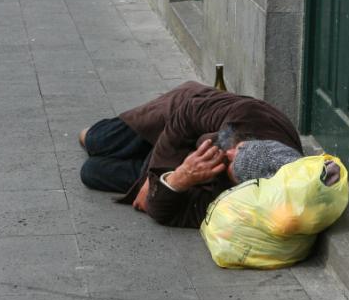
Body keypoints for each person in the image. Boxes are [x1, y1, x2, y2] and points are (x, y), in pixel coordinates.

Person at [78, 81, 305, 228]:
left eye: (229, 162)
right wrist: (151, 175)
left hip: (186, 169)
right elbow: (188, 113)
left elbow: (168, 213)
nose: (229, 152)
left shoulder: (240, 204)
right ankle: (96, 135)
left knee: (91, 172)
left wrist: (179, 179)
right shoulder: (249, 117)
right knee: (96, 140)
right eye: (238, 149)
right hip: (174, 120)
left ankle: (151, 166)